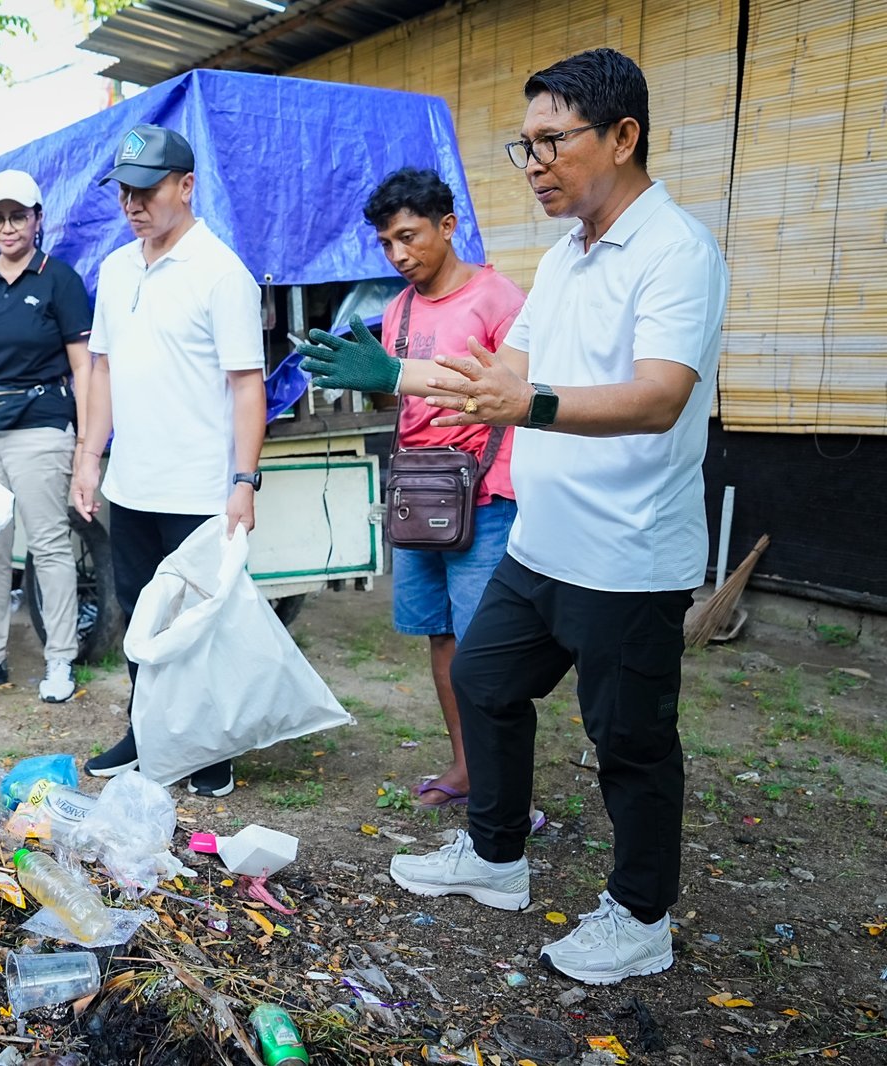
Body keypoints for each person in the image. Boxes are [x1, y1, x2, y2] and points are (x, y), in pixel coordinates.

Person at [300, 48, 728, 985]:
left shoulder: (675, 252)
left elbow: (658, 396)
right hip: (543, 544)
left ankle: (642, 917)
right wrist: (397, 374)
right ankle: (496, 858)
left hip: (627, 555)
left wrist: (527, 409)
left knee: (631, 745)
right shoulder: (565, 256)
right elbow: (502, 375)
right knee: (486, 681)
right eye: (523, 146)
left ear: (623, 136)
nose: (532, 163)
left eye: (551, 142)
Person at [72, 125, 268, 798]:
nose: (133, 204)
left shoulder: (222, 274)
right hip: (132, 483)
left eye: (146, 190)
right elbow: (100, 371)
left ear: (186, 186)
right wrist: (89, 457)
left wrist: (244, 482)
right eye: (124, 191)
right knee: (138, 616)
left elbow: (248, 384)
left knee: (199, 626)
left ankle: (208, 746)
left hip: (199, 490)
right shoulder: (117, 268)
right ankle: (146, 731)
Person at [353, 168, 526, 810]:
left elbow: (512, 393)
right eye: (386, 244)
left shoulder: (498, 298)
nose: (399, 255)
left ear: (447, 226)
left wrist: (401, 375)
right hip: (421, 494)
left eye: (409, 236)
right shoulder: (397, 308)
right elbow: (400, 401)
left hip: (483, 492)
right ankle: (465, 768)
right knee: (442, 637)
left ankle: (503, 790)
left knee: (486, 646)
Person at [0, 169, 93, 704]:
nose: (9, 227)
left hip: (40, 429)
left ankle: (60, 660)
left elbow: (84, 367)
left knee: (49, 545)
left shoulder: (60, 281)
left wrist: (84, 444)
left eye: (19, 216)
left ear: (37, 218)